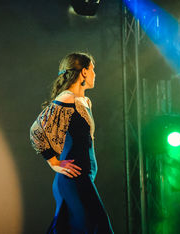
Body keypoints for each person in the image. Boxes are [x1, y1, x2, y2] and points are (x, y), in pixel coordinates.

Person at [30, 52, 114, 233]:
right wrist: (53, 162)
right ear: (83, 72)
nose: (94, 74)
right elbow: (37, 130)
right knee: (98, 227)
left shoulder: (85, 101)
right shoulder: (67, 98)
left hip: (84, 177)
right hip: (73, 178)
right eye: (93, 70)